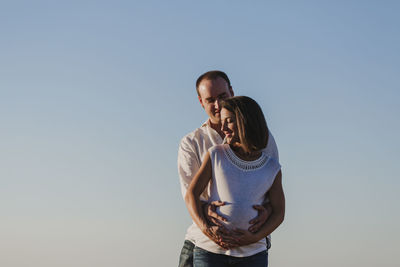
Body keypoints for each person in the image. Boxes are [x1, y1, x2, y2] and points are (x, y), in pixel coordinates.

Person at [177, 71, 279, 267]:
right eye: (210, 100)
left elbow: (269, 181)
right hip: (204, 243)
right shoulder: (191, 143)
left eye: (222, 96)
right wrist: (208, 226)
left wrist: (267, 210)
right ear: (201, 102)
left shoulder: (263, 138)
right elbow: (190, 194)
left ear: (231, 92)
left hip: (251, 247)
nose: (218, 105)